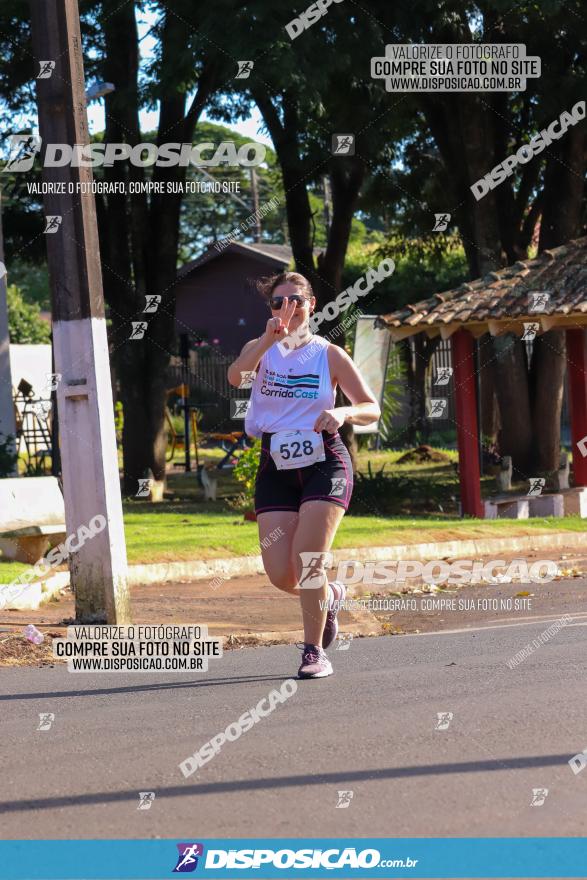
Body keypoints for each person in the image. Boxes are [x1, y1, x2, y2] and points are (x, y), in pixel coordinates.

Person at [227, 272, 380, 679]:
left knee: (310, 560)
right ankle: (330, 596)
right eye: (278, 303)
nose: (287, 309)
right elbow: (235, 378)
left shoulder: (328, 354)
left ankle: (313, 652)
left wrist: (343, 412)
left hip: (324, 463)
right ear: (271, 310)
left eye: (295, 300)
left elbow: (370, 407)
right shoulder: (259, 351)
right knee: (282, 575)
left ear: (311, 305)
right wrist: (265, 342)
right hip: (275, 464)